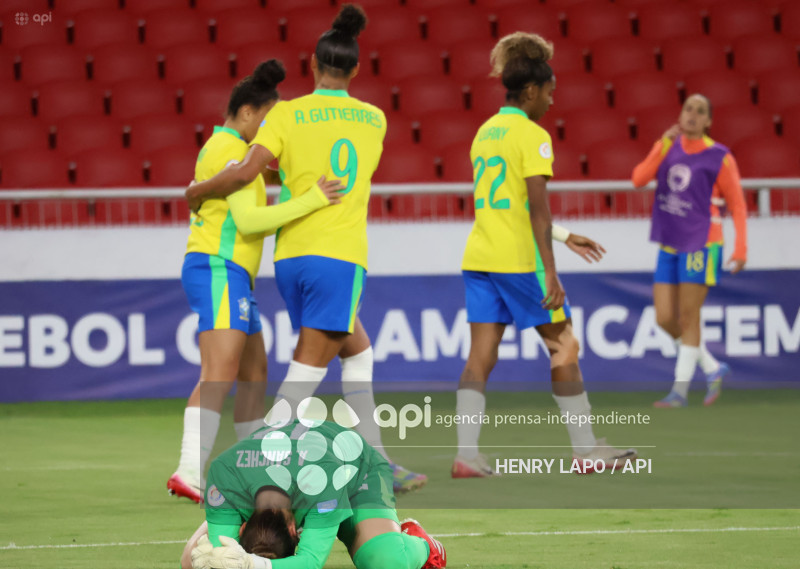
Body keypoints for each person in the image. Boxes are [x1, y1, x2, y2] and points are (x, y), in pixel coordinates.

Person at [181, 3, 427, 493]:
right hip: (339, 254)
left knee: (358, 350)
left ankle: (377, 461)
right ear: (356, 69)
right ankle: (250, 464)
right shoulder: (375, 119)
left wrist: (199, 188)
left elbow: (251, 173)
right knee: (305, 375)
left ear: (312, 66)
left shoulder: (287, 114)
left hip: (290, 258)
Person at [453, 32, 637, 478]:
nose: (552, 101)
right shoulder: (532, 136)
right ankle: (586, 451)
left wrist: (566, 235)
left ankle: (465, 455)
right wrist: (550, 272)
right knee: (564, 343)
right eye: (550, 92)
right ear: (532, 90)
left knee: (480, 355)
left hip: (479, 258)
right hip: (519, 261)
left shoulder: (485, 132)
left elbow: (506, 206)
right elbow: (536, 211)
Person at [168, 59, 344, 503]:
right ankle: (189, 470)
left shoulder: (226, 148)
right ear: (247, 113)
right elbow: (247, 222)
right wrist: (311, 200)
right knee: (219, 372)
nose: (270, 134)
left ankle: (253, 468)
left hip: (232, 275)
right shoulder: (233, 152)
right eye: (266, 121)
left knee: (254, 373)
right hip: (218, 267)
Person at [180, 414, 446, 569]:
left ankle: (423, 544)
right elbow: (200, 561)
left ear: (297, 532)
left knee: (385, 560)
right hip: (301, 483)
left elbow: (310, 562)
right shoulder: (225, 472)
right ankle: (218, 517)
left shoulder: (323, 477)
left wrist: (251, 564)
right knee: (202, 560)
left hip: (356, 473)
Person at [632, 94, 748, 407]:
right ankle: (712, 367)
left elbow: (737, 203)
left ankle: (679, 391)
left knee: (687, 316)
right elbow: (638, 179)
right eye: (688, 109)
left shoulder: (719, 156)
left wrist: (740, 247)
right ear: (680, 115)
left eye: (700, 112)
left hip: (702, 241)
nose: (692, 115)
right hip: (669, 241)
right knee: (664, 318)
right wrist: (660, 145)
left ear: (708, 121)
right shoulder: (668, 147)